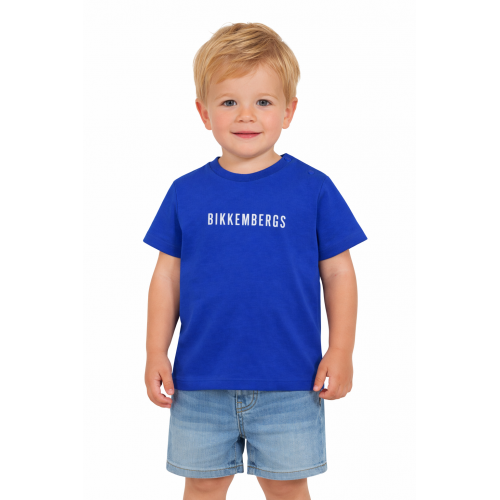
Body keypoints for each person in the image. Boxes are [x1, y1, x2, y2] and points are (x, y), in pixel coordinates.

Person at [143, 22, 367, 500]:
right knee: (203, 486)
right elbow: (167, 276)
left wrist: (342, 350)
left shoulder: (314, 189)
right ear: (204, 113)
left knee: (287, 489)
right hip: (199, 381)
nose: (246, 115)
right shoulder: (185, 192)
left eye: (263, 101)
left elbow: (338, 272)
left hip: (293, 382)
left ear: (289, 111)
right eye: (229, 102)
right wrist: (154, 352)